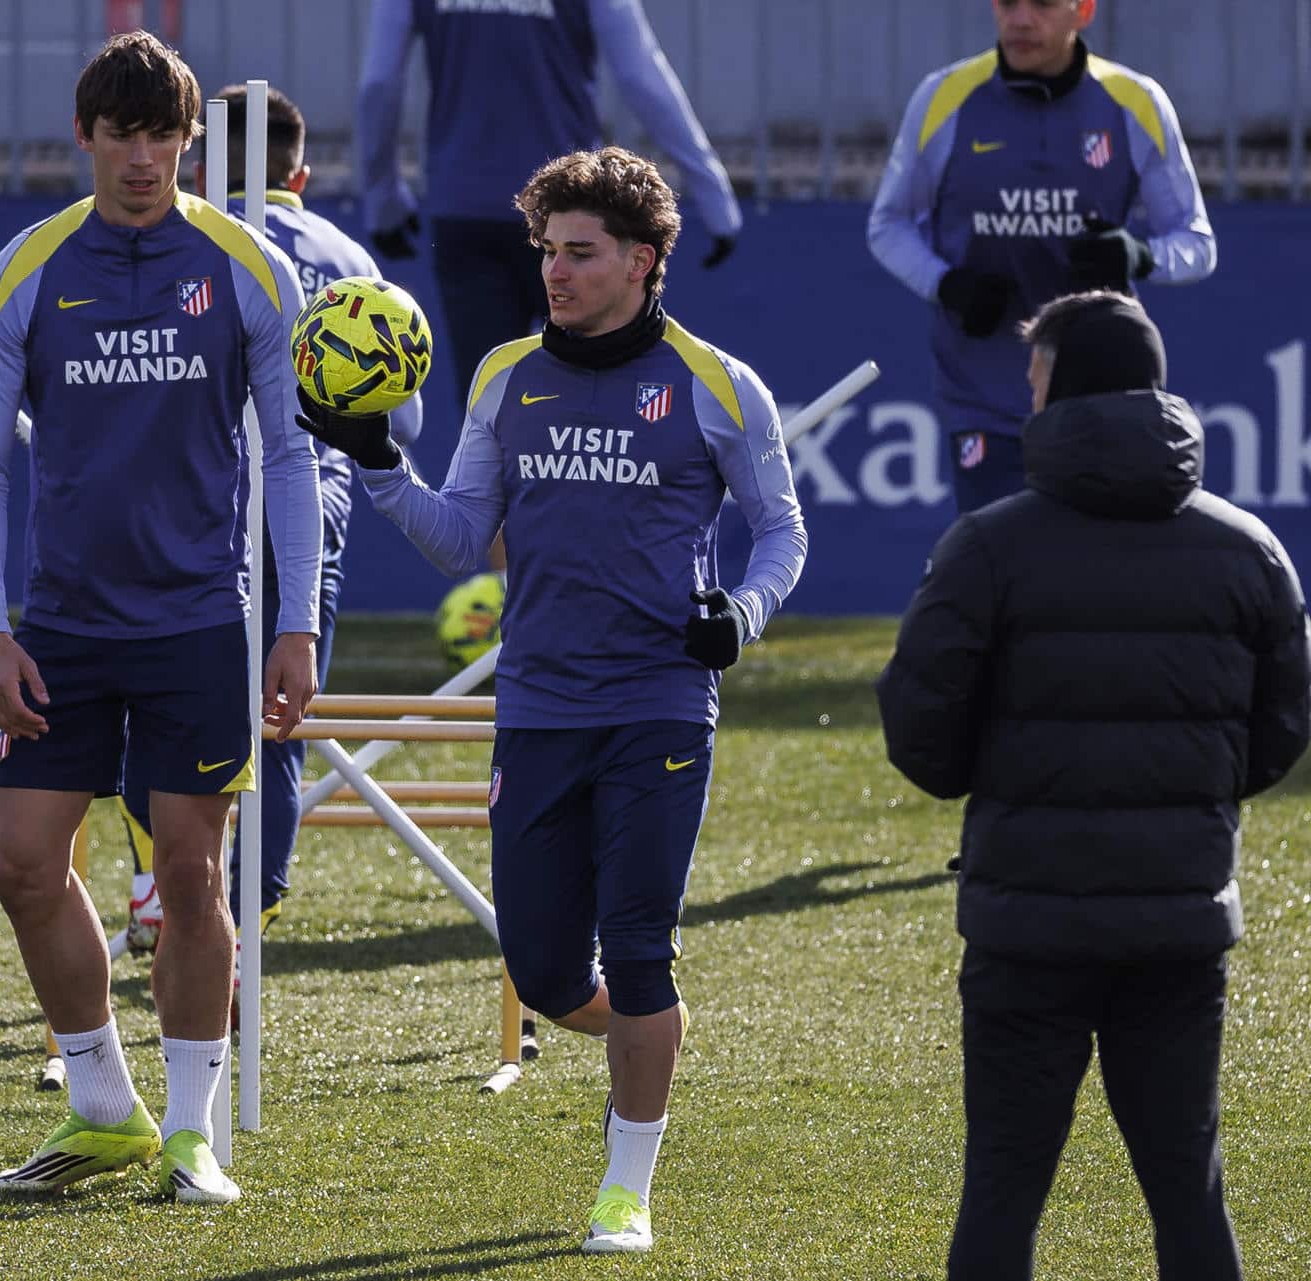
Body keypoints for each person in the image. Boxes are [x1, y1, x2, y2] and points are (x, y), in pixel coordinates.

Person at [296, 146, 805, 1254]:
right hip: (536, 707)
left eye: (579, 254)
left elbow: (782, 530)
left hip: (661, 707)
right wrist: (377, 467)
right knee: (538, 968)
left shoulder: (718, 385)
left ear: (646, 259)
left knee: (639, 946)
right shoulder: (503, 376)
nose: (556, 274)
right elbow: (456, 539)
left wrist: (744, 614)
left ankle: (627, 1182)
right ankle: (646, 1045)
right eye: (545, 252)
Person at [0, 31, 321, 1207]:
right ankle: (102, 1107)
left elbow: (295, 458)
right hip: (58, 626)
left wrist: (296, 621)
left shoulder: (249, 269)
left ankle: (193, 1133)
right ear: (87, 138)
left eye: (166, 136)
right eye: (124, 135)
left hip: (198, 623)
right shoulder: (24, 271)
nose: (145, 158)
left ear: (190, 143)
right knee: (21, 861)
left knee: (190, 878)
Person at [875, 291, 1310, 1281]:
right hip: (1178, 925)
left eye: (1032, 380)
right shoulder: (1249, 553)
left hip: (1027, 926)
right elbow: (1282, 732)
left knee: (1002, 1188)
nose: (1023, 397)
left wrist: (1004, 780)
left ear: (1059, 392)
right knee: (1187, 1187)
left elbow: (921, 735)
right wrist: (1187, 796)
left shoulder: (988, 545)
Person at [118, 82, 425, 953]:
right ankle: (244, 924)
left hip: (188, 509)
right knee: (279, 718)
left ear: (199, 157)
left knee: (149, 696)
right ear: (303, 169)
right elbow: (403, 421)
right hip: (306, 511)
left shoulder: (172, 246)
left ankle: (158, 883)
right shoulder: (347, 258)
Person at [868, 0, 1215, 513]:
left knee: (1096, 575)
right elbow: (887, 226)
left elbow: (1196, 243)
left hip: (1103, 398)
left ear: (1085, 11)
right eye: (1008, 3)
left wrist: (1140, 256)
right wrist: (946, 284)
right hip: (983, 393)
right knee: (998, 571)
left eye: (1045, 4)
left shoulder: (1133, 101)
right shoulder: (946, 98)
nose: (1022, 20)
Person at [358, 0, 742, 425]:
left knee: (488, 407)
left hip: (466, 207)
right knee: (598, 400)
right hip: (573, 218)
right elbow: (642, 76)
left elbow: (379, 84)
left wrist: (383, 200)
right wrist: (712, 192)